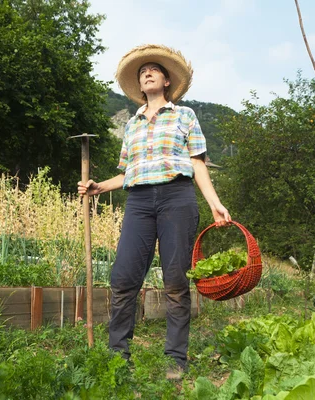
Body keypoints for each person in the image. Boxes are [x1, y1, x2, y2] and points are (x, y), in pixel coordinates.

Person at [77, 44, 231, 379]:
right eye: (142, 71)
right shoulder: (131, 125)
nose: (146, 72)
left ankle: (176, 358)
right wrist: (99, 186)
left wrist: (215, 203)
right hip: (139, 202)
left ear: (165, 82)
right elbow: (127, 171)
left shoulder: (184, 115)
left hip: (177, 197)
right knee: (122, 278)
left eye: (153, 70)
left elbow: (197, 163)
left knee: (176, 280)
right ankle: (119, 356)